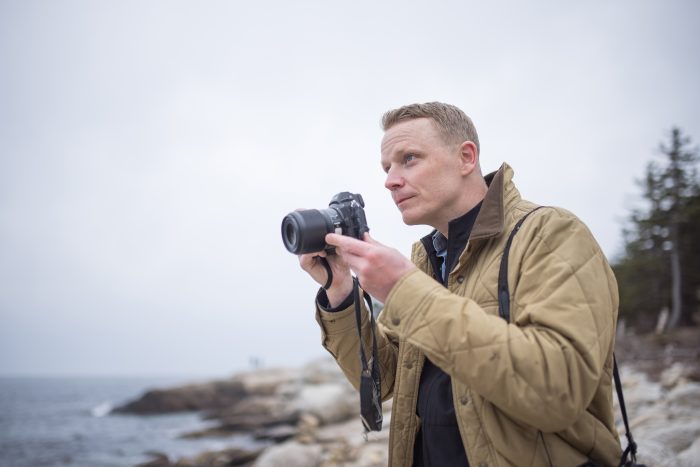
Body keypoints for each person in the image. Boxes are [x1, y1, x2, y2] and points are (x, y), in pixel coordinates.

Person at [298, 102, 623, 466]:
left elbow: (558, 391)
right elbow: (383, 380)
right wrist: (341, 290)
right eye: (386, 167)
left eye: (409, 158)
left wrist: (403, 290)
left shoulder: (550, 234)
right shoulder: (423, 259)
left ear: (466, 158)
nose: (390, 180)